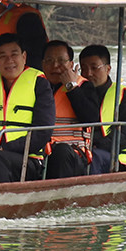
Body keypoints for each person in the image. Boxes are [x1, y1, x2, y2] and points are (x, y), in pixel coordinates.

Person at [0, 33, 54, 184]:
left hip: (26, 159)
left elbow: (43, 132)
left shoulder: (40, 84)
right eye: (2, 56)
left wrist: (5, 148)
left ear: (24, 56)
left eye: (14, 54)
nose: (9, 60)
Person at [74, 44, 126, 172]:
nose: (88, 73)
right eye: (83, 68)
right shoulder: (75, 93)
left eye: (94, 68)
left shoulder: (123, 95)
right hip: (83, 150)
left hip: (118, 156)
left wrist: (95, 144)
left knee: (92, 157)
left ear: (108, 69)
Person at [39, 40, 90, 179]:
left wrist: (71, 87)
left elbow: (91, 117)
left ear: (71, 65)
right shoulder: (35, 86)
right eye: (49, 60)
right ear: (42, 64)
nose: (55, 66)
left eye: (61, 61)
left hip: (72, 152)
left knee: (61, 152)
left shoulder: (84, 86)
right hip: (39, 151)